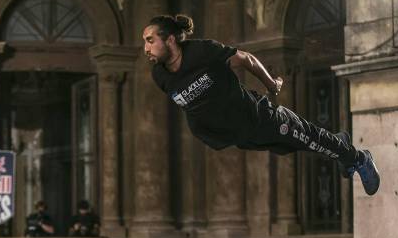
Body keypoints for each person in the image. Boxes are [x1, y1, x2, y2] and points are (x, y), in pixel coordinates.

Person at [142, 14, 380, 195]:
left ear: (170, 39)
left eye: (150, 40)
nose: (146, 48)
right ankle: (338, 145)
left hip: (257, 115)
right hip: (239, 135)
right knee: (295, 144)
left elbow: (245, 58)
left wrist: (271, 84)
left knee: (304, 136)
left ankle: (358, 158)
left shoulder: (202, 51)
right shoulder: (160, 76)